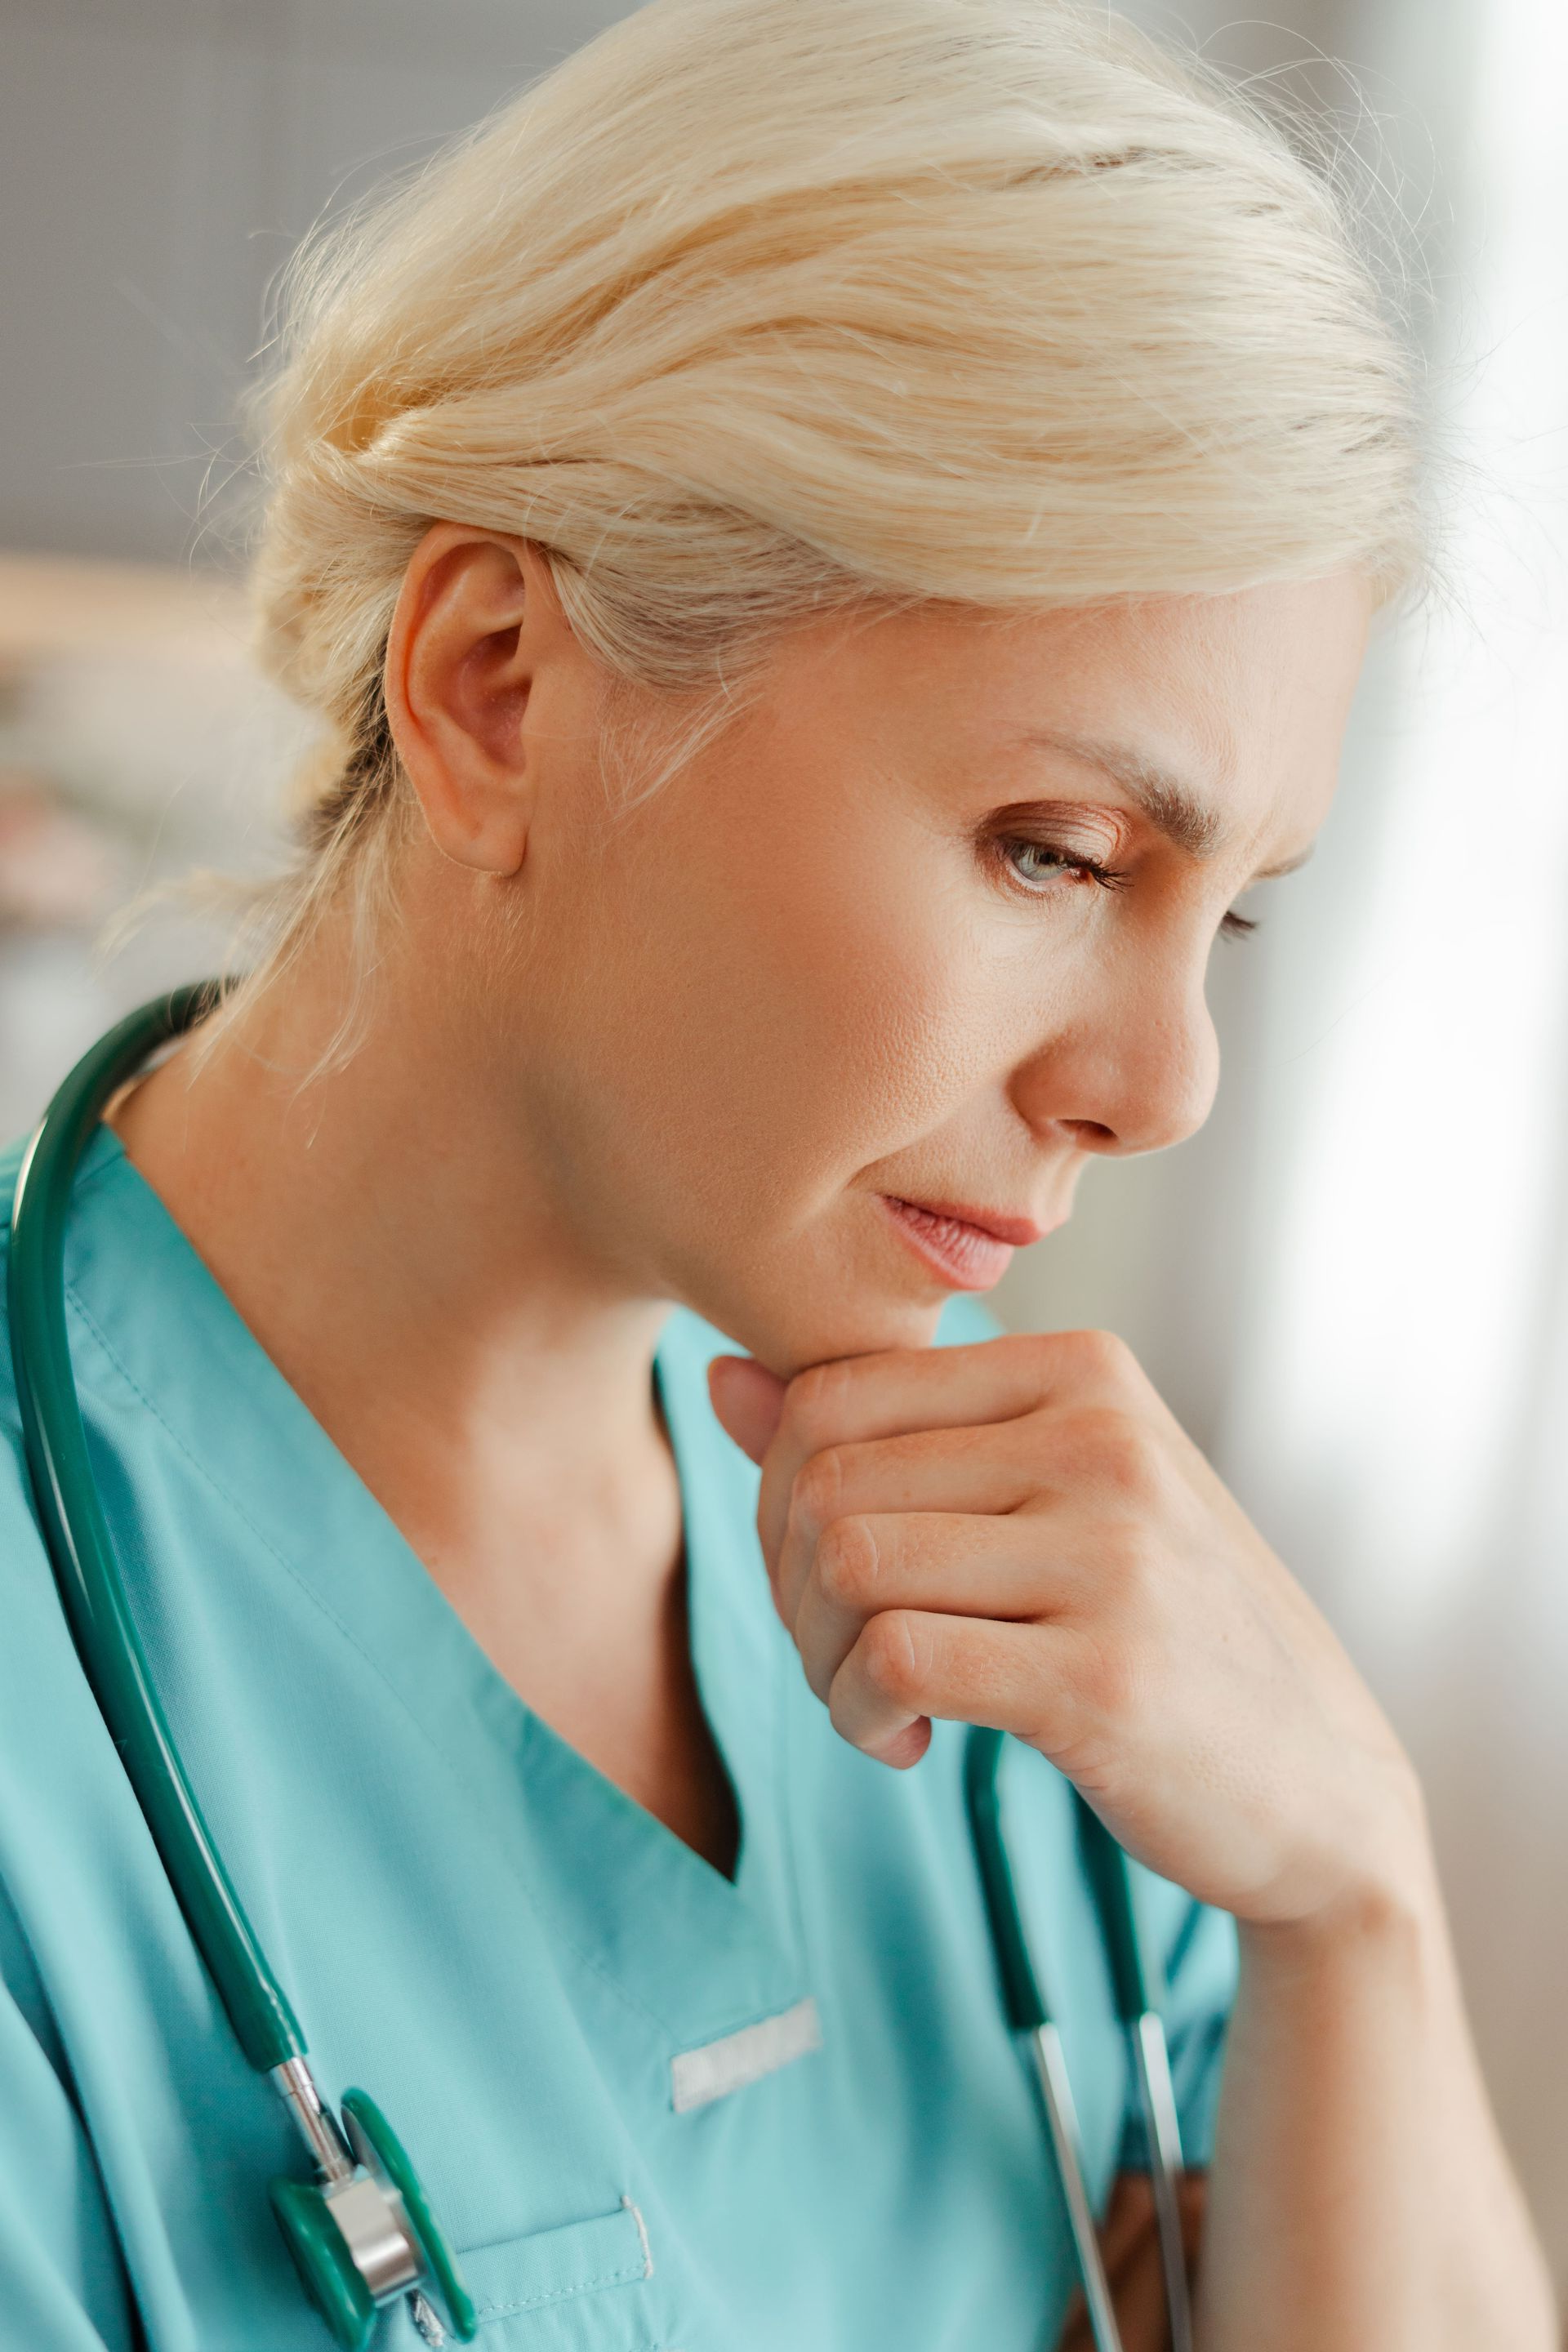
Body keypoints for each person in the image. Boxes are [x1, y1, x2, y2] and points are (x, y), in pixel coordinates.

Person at [0, 0, 1555, 2345]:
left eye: (1222, 913)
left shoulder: (1040, 1565)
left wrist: (1356, 1900)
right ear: (504, 686)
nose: (1166, 1079)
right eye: (1054, 852)